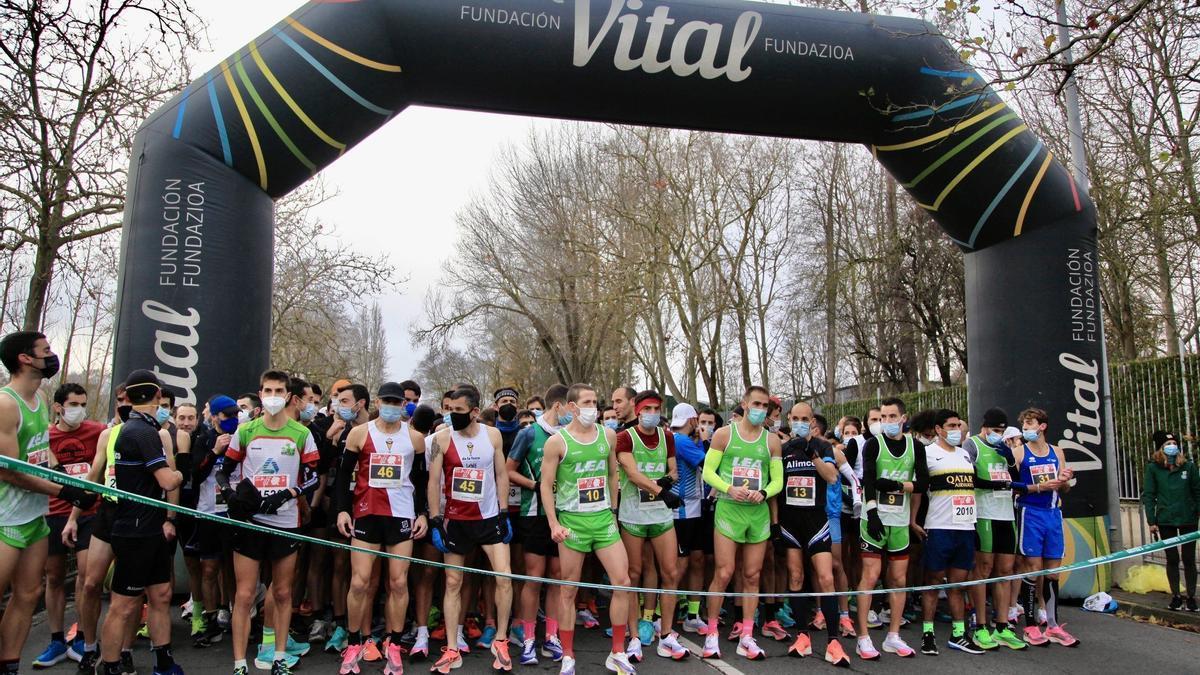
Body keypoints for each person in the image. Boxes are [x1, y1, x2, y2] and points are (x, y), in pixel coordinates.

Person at [0, 331, 97, 675]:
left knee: (27, 595)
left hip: (35, 515)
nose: (51, 356)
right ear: (25, 358)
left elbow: (42, 455)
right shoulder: (6, 403)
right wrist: (64, 493)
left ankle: (9, 664)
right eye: (45, 351)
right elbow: (10, 470)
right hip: (5, 518)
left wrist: (70, 480)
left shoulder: (39, 399)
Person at [216, 371, 320, 675]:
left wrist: (288, 493)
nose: (273, 395)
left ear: (288, 396)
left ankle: (278, 658)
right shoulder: (247, 430)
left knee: (283, 592)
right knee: (245, 594)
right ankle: (239, 664)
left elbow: (312, 477)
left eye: (279, 390)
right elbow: (225, 470)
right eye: (268, 390)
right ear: (260, 394)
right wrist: (230, 494)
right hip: (250, 521)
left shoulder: (301, 433)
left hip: (286, 520)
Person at [334, 382, 429, 675]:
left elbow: (421, 482)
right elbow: (341, 477)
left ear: (404, 406)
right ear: (377, 401)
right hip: (366, 514)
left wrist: (423, 513)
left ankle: (395, 644)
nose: (391, 406)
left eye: (396, 402)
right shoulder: (359, 433)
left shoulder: (415, 439)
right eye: (386, 400)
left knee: (398, 582)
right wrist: (341, 510)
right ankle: (353, 643)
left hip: (400, 515)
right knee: (360, 582)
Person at [540, 383, 635, 675]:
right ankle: (568, 655)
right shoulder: (557, 442)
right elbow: (546, 485)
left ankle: (618, 652)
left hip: (603, 519)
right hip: (572, 521)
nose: (593, 407)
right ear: (572, 407)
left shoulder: (608, 436)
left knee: (623, 582)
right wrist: (554, 523)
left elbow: (612, 473)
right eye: (587, 402)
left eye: (595, 401)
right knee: (569, 589)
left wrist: (614, 511)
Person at [100, 370, 185, 675]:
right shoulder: (141, 431)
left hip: (152, 528)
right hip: (134, 530)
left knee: (161, 595)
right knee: (123, 605)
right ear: (157, 397)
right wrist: (179, 472)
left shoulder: (140, 427)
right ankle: (109, 665)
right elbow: (167, 479)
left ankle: (163, 661)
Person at [426, 387, 514, 674]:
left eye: (460, 412)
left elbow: (501, 474)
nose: (454, 416)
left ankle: (501, 640)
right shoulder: (442, 438)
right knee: (453, 583)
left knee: (504, 577)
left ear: (475, 412)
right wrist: (436, 519)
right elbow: (434, 479)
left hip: (489, 518)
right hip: (456, 521)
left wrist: (503, 512)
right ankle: (452, 647)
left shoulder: (493, 436)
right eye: (451, 411)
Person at [700, 385, 783, 661]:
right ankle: (712, 633)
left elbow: (778, 480)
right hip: (729, 510)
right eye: (756, 404)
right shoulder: (724, 435)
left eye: (765, 406)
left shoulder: (771, 441)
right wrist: (728, 488)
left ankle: (747, 634)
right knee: (724, 573)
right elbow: (708, 472)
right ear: (744, 404)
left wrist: (765, 493)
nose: (760, 409)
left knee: (752, 575)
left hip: (756, 514)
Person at [908, 409, 991, 656]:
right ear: (938, 429)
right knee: (933, 582)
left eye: (958, 425)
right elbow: (918, 491)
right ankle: (928, 634)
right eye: (951, 426)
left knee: (958, 584)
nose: (957, 430)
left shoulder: (965, 455)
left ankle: (958, 634)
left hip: (964, 528)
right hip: (939, 527)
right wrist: (913, 521)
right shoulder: (928, 454)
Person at [34, 383, 105, 667]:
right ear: (58, 407)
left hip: (90, 511)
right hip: (52, 511)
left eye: (83, 404)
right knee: (53, 577)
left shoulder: (97, 430)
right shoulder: (45, 437)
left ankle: (84, 637)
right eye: (73, 405)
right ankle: (55, 640)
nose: (79, 410)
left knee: (88, 580)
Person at [615, 391, 688, 661]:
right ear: (637, 409)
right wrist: (661, 489)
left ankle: (666, 635)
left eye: (657, 408)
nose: (653, 413)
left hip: (661, 517)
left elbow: (673, 469)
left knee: (670, 573)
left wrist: (666, 482)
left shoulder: (667, 436)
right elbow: (632, 473)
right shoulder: (625, 437)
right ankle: (633, 637)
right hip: (634, 516)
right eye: (648, 408)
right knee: (632, 575)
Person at [774, 402, 849, 667]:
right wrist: (774, 525)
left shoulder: (822, 446)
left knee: (826, 577)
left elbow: (831, 477)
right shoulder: (783, 450)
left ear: (812, 422)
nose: (799, 422)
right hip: (791, 523)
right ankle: (802, 635)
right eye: (794, 418)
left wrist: (812, 453)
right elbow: (774, 487)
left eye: (804, 418)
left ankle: (833, 640)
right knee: (796, 576)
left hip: (817, 522)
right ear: (789, 419)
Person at [855, 397, 927, 660]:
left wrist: (899, 486)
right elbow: (869, 479)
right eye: (883, 417)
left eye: (892, 417)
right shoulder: (874, 444)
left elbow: (922, 483)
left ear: (903, 418)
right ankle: (863, 637)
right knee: (871, 575)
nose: (887, 422)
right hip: (874, 519)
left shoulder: (915, 446)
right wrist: (872, 511)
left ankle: (893, 636)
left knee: (898, 579)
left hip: (899, 520)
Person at [505, 384, 569, 666]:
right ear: (558, 406)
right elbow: (508, 470)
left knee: (556, 577)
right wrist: (536, 485)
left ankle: (551, 638)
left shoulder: (572, 435)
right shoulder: (529, 433)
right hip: (533, 514)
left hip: (565, 516)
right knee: (534, 577)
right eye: (572, 407)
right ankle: (529, 638)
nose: (576, 413)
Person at [1012, 407, 1078, 647]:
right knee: (1033, 568)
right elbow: (1011, 485)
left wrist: (1065, 479)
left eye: (1030, 424)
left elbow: (1064, 487)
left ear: (1042, 426)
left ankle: (1052, 624)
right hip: (1030, 513)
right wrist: (1039, 487)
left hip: (1053, 514)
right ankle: (1030, 625)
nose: (1026, 429)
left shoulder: (1057, 452)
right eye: (1024, 425)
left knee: (1052, 572)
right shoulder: (1019, 452)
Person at [965, 407, 1026, 649]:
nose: (998, 434)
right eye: (994, 430)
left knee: (1005, 569)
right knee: (983, 568)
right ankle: (980, 626)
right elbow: (968, 479)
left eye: (1001, 431)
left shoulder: (1005, 448)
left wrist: (1011, 460)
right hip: (984, 514)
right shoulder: (972, 445)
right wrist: (996, 484)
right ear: (984, 427)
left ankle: (1002, 625)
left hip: (1005, 515)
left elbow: (1016, 479)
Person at [185, 396, 240, 648]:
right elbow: (194, 474)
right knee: (209, 569)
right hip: (207, 513)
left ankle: (234, 614)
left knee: (233, 568)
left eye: (235, 414)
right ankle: (209, 619)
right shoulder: (203, 439)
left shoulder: (242, 437)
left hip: (235, 514)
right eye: (227, 415)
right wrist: (215, 451)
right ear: (215, 416)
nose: (233, 419)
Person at [1141, 430, 1200, 611]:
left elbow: (1197, 491)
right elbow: (1149, 495)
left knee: (1189, 558)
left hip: (1188, 517)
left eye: (1174, 443)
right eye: (1167, 445)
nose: (1172, 447)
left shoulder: (1188, 466)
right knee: (1172, 558)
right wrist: (1152, 521)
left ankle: (1191, 596)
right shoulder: (1153, 468)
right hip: (1166, 519)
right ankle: (1175, 596)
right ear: (1160, 448)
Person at [668, 403, 707, 635]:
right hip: (681, 511)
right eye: (697, 421)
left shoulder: (684, 440)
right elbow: (707, 464)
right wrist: (702, 440)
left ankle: (693, 614)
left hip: (696, 508)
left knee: (697, 560)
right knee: (679, 565)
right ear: (691, 420)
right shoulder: (680, 441)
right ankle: (663, 614)